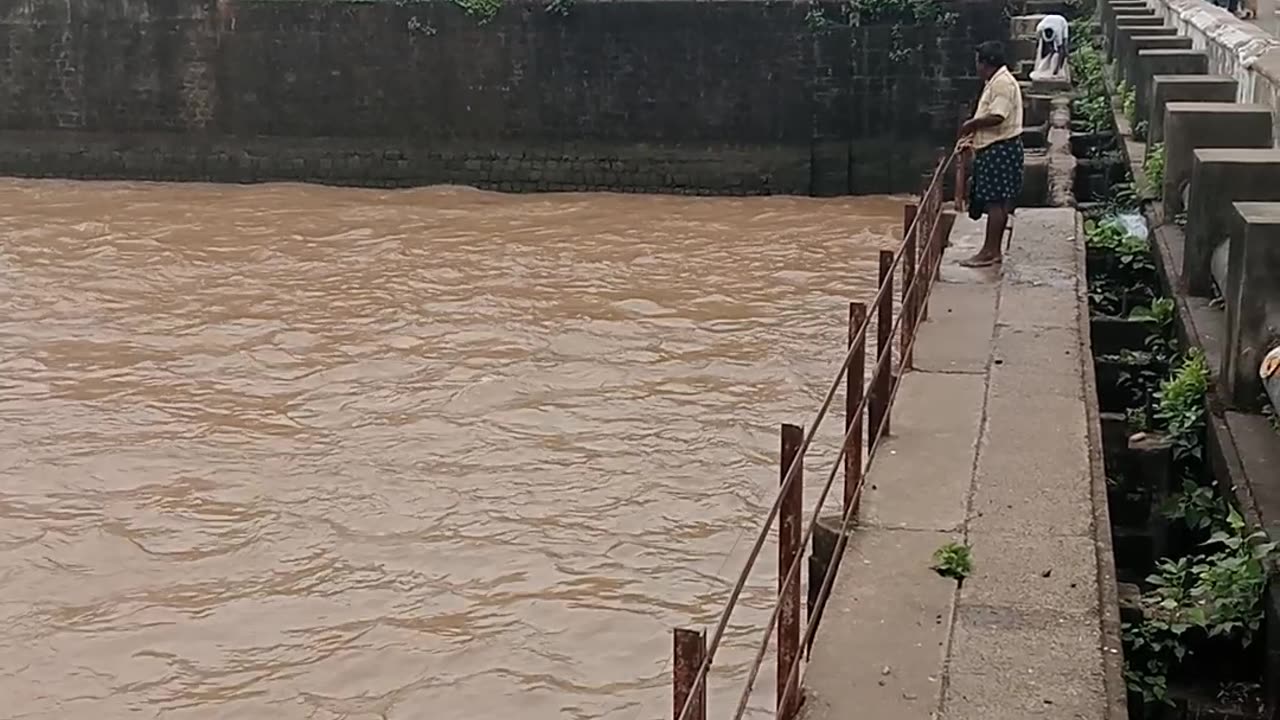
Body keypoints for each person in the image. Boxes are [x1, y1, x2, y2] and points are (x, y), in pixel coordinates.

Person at [958, 41, 1024, 268]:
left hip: (999, 148)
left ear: (986, 63)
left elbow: (998, 115)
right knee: (998, 201)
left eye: (978, 62)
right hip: (998, 146)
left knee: (995, 202)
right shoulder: (996, 81)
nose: (976, 67)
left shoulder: (1003, 84)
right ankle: (990, 250)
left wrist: (971, 124)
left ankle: (990, 252)